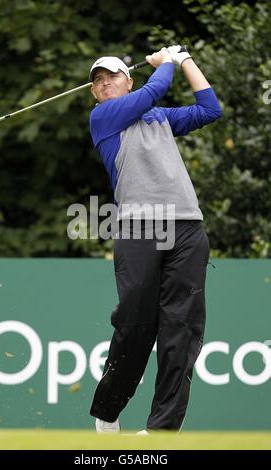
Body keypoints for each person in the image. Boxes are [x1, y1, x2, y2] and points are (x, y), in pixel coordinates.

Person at [88, 46, 222, 433]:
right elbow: (152, 92)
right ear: (95, 93)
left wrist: (185, 61)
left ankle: (163, 428)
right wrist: (165, 64)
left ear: (126, 80)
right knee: (135, 324)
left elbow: (210, 109)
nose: (104, 84)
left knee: (181, 329)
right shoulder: (104, 118)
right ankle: (108, 412)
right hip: (139, 229)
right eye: (98, 81)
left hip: (186, 227)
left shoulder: (159, 119)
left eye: (112, 77)